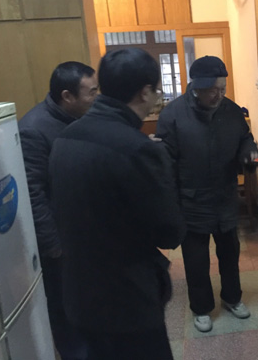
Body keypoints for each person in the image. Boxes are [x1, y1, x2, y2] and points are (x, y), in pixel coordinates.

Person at [49, 48, 186, 360]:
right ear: (145, 92)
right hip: (126, 300)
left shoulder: (66, 137)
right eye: (157, 90)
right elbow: (169, 233)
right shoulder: (137, 149)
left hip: (79, 293)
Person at [156, 55, 258, 333]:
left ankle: (232, 298)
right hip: (191, 200)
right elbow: (165, 162)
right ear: (196, 87)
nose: (218, 95)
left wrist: (249, 152)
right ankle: (201, 308)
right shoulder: (173, 115)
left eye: (222, 89)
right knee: (196, 261)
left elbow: (245, 138)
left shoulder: (231, 111)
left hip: (225, 196)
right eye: (212, 90)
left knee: (230, 254)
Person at [19, 61, 98, 360]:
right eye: (91, 92)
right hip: (61, 243)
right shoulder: (34, 130)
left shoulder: (77, 117)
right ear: (68, 96)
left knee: (88, 305)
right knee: (66, 312)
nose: (97, 98)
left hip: (83, 234)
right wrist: (54, 247)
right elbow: (33, 194)